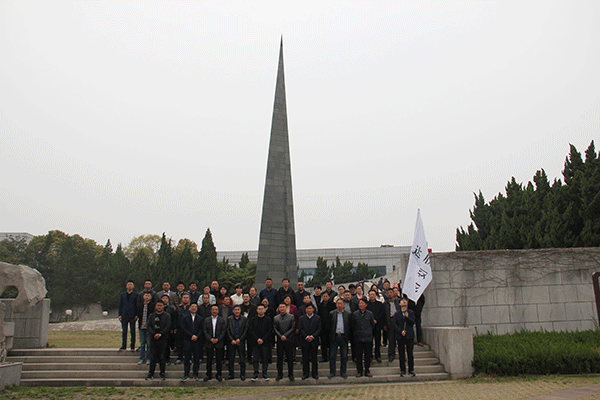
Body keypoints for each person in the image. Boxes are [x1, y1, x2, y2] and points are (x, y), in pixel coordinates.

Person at [146, 300, 171, 381]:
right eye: (158, 305)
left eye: (161, 305)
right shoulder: (151, 315)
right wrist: (154, 334)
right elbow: (149, 326)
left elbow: (168, 326)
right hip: (153, 339)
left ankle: (162, 373)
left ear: (163, 306)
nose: (159, 307)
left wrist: (161, 334)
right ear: (155, 306)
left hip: (163, 339)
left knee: (162, 357)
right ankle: (151, 373)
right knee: (152, 357)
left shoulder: (167, 316)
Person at [203, 304, 227, 381]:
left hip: (219, 342)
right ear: (211, 310)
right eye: (213, 309)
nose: (214, 311)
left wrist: (218, 339)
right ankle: (208, 374)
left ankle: (219, 374)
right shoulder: (206, 320)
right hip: (209, 342)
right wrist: (210, 339)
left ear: (218, 311)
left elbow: (223, 331)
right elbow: (205, 331)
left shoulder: (221, 320)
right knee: (209, 359)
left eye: (216, 310)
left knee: (219, 360)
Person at [329, 299, 351, 379]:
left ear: (344, 305)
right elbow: (329, 326)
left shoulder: (348, 314)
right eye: (338, 304)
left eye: (341, 304)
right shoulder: (332, 313)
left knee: (344, 356)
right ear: (336, 305)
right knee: (332, 356)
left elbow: (349, 326)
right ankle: (332, 372)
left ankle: (343, 372)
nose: (339, 305)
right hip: (334, 336)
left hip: (343, 337)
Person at [249, 304, 272, 381]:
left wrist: (263, 339)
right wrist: (257, 339)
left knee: (265, 359)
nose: (260, 310)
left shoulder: (268, 319)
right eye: (259, 309)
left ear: (264, 310)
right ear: (257, 310)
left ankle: (264, 374)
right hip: (255, 342)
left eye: (262, 309)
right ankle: (255, 374)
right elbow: (251, 330)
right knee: (255, 359)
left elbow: (269, 331)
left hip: (265, 342)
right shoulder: (253, 319)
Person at [352, 298, 375, 377]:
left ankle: (367, 370)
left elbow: (372, 325)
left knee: (367, 355)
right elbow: (353, 326)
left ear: (366, 305)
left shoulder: (370, 314)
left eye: (362, 303)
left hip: (368, 338)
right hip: (358, 338)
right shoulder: (355, 314)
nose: (361, 305)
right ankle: (359, 371)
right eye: (360, 304)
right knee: (359, 356)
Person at [273, 303, 296, 381]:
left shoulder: (291, 317)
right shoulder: (276, 318)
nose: (282, 309)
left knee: (290, 358)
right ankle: (280, 374)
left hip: (289, 339)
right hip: (280, 340)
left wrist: (285, 335)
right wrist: (280, 336)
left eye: (283, 307)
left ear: (286, 308)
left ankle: (291, 374)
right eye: (280, 307)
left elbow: (293, 327)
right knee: (279, 358)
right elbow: (275, 328)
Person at [181, 302, 203, 381]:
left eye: (195, 307)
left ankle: (195, 374)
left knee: (196, 358)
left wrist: (197, 336)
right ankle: (186, 374)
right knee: (187, 358)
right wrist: (191, 335)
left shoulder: (200, 318)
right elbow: (183, 328)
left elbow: (201, 329)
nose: (194, 308)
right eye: (192, 306)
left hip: (197, 340)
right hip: (188, 340)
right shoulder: (185, 318)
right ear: (189, 308)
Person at [394, 298, 416, 377]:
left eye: (405, 302)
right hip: (401, 336)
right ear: (399, 304)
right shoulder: (397, 314)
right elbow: (395, 325)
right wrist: (401, 331)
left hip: (409, 336)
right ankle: (402, 370)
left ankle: (411, 370)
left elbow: (413, 322)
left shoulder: (411, 312)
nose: (403, 303)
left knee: (410, 353)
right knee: (401, 354)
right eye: (402, 302)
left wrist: (408, 317)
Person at [299, 303, 320, 380]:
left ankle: (315, 373)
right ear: (306, 310)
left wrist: (312, 336)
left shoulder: (317, 318)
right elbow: (300, 329)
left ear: (313, 309)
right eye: (308, 309)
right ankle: (305, 373)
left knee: (314, 358)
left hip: (314, 340)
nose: (309, 310)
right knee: (305, 359)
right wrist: (306, 336)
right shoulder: (302, 318)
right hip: (305, 340)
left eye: (311, 309)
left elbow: (319, 329)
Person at [226, 305, 248, 380]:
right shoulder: (229, 319)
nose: (237, 311)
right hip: (232, 341)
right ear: (233, 311)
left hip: (240, 341)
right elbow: (227, 330)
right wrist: (231, 339)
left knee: (242, 359)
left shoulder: (244, 319)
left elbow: (245, 330)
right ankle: (231, 374)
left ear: (240, 311)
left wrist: (240, 339)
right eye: (235, 310)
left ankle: (242, 374)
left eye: (238, 309)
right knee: (231, 359)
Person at [118, 280, 138, 351]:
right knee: (124, 331)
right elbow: (120, 305)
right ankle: (124, 345)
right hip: (124, 315)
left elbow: (137, 305)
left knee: (133, 331)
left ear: (133, 286)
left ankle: (132, 345)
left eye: (131, 285)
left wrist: (136, 314)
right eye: (128, 285)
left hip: (132, 315)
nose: (129, 286)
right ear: (126, 286)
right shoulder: (123, 295)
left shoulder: (136, 295)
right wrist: (120, 314)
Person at [366, 290, 385, 363]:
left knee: (378, 342)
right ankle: (369, 356)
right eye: (370, 294)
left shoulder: (380, 304)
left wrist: (376, 319)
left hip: (377, 325)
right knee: (369, 342)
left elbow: (381, 313)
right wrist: (371, 320)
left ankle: (378, 355)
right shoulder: (366, 304)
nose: (372, 296)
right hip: (369, 325)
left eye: (373, 294)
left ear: (375, 295)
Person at [136, 291, 154, 364]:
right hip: (141, 326)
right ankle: (142, 358)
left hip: (149, 327)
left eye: (148, 296)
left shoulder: (152, 305)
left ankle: (148, 358)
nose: (147, 297)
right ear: (143, 297)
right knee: (142, 343)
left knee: (149, 344)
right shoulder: (140, 305)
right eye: (145, 296)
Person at [317, 291, 335, 363]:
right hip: (323, 327)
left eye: (326, 296)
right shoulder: (320, 305)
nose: (325, 298)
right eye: (323, 296)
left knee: (331, 343)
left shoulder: (332, 305)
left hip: (331, 327)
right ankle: (324, 357)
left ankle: (331, 356)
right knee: (323, 343)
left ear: (329, 297)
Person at [384, 288, 400, 362]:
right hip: (390, 321)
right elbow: (384, 315)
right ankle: (391, 355)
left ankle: (401, 354)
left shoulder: (398, 302)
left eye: (391, 292)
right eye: (388, 293)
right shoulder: (385, 304)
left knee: (400, 340)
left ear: (394, 293)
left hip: (398, 321)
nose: (390, 294)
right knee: (391, 340)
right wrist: (385, 324)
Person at [175, 292, 191, 365]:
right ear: (181, 299)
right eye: (184, 298)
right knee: (179, 344)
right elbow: (175, 318)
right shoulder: (178, 308)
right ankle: (180, 358)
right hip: (179, 329)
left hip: (188, 329)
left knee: (188, 345)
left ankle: (188, 359)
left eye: (187, 298)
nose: (185, 299)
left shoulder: (191, 308)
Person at [160, 294, 177, 364]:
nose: (164, 300)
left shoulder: (171, 309)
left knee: (167, 345)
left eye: (166, 298)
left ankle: (167, 358)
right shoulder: (158, 308)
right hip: (160, 329)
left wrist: (173, 328)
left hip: (168, 329)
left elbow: (173, 319)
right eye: (163, 298)